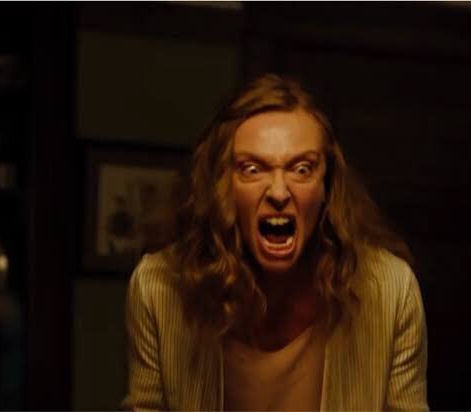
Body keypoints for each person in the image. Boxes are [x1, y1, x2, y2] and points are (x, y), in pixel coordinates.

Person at [122, 74, 428, 411]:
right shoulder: (160, 288)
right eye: (253, 169)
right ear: (221, 186)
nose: (279, 192)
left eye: (302, 169)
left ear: (326, 186)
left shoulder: (389, 291)